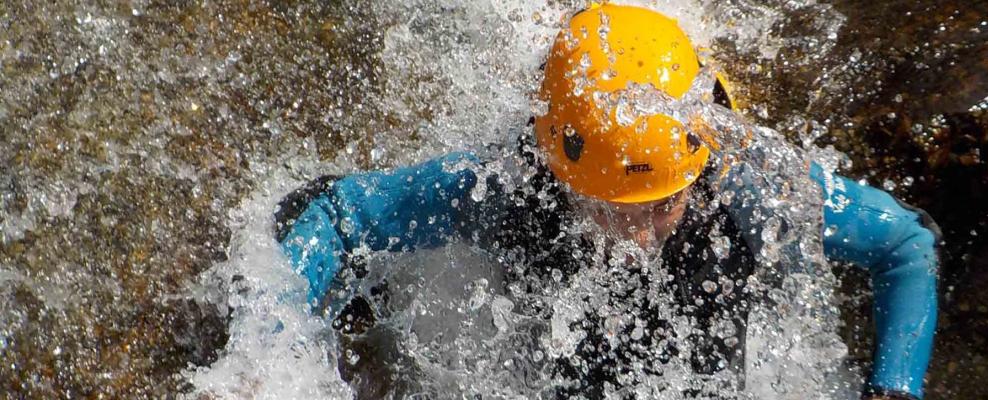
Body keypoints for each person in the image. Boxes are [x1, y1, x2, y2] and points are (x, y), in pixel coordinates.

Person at [273, 4, 939, 400]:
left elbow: (906, 247)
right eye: (611, 209)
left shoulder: (757, 187)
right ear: (555, 168)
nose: (637, 237)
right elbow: (339, 212)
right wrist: (274, 360)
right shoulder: (508, 184)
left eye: (659, 207)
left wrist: (892, 390)